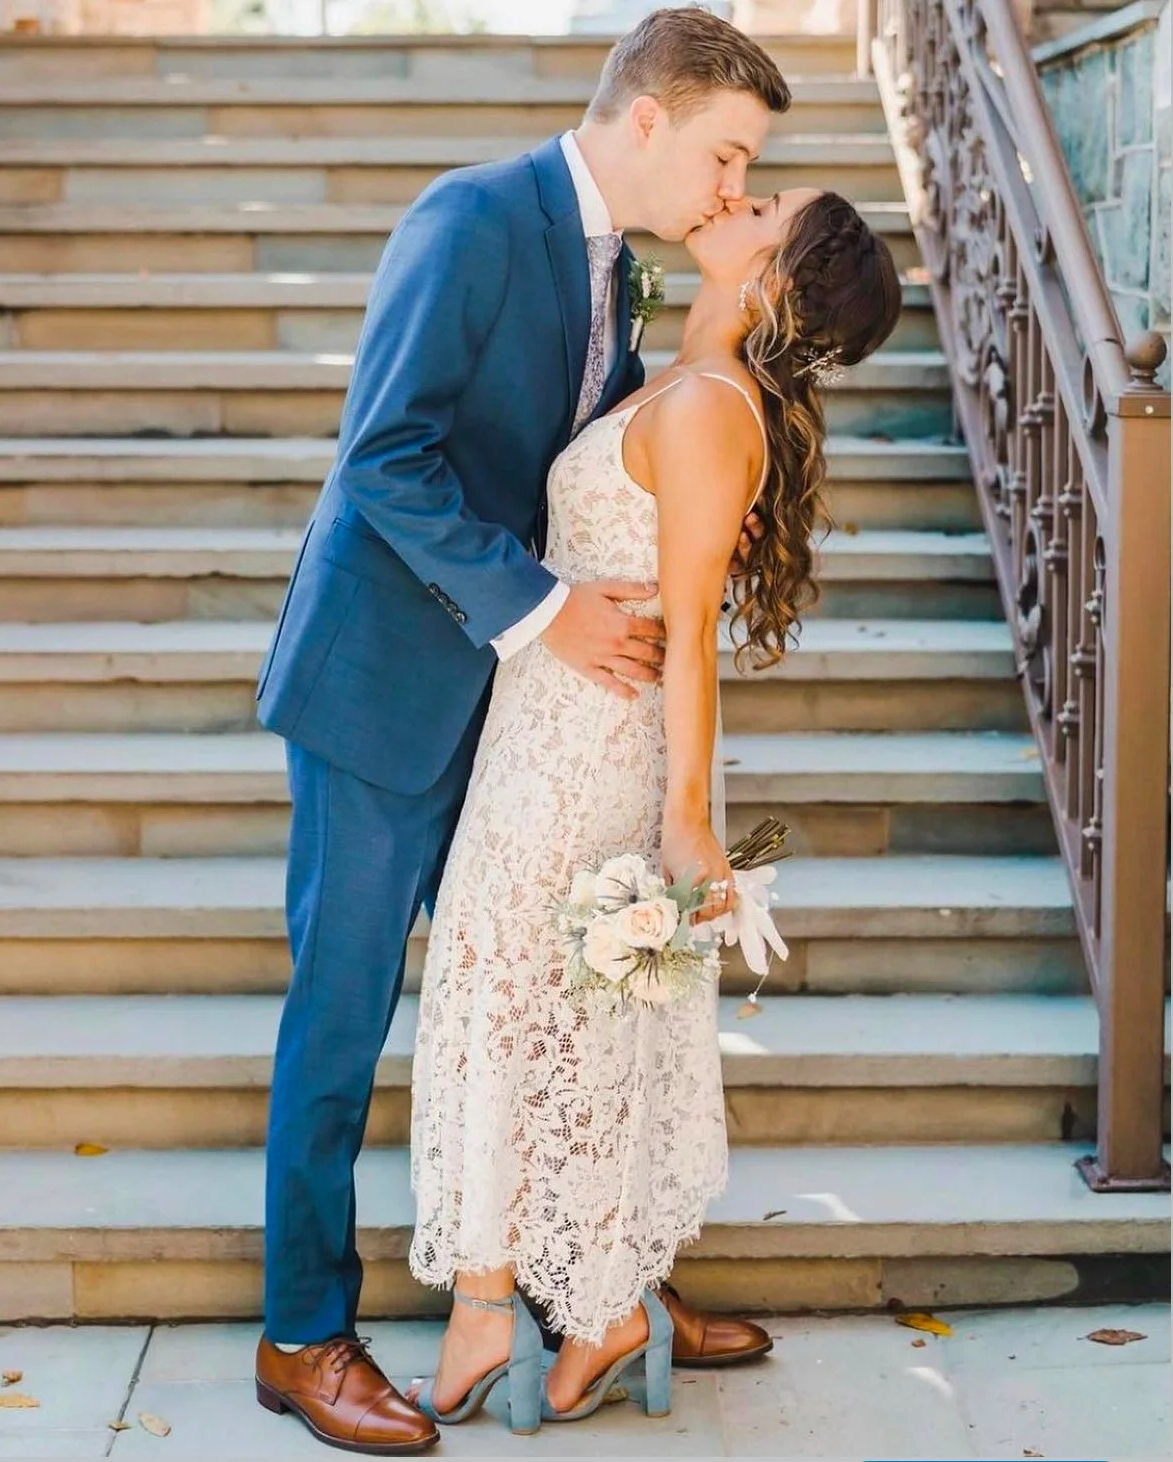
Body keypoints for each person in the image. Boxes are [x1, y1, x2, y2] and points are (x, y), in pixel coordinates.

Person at [253, 8, 797, 1455]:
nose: (728, 189)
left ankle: (592, 1280)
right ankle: (301, 1331)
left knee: (557, 1001)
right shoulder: (472, 217)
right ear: (643, 120)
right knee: (344, 1005)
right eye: (723, 153)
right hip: (380, 687)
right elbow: (383, 455)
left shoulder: (616, 274)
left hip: (511, 717)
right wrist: (544, 609)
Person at [403, 186, 901, 1435]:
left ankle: (545, 1302)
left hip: (593, 750)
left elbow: (691, 638)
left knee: (511, 990)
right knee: (506, 992)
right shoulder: (680, 381)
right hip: (547, 720)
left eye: (768, 206)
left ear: (778, 286)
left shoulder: (710, 414)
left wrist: (685, 824)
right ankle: (571, 1301)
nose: (741, 192)